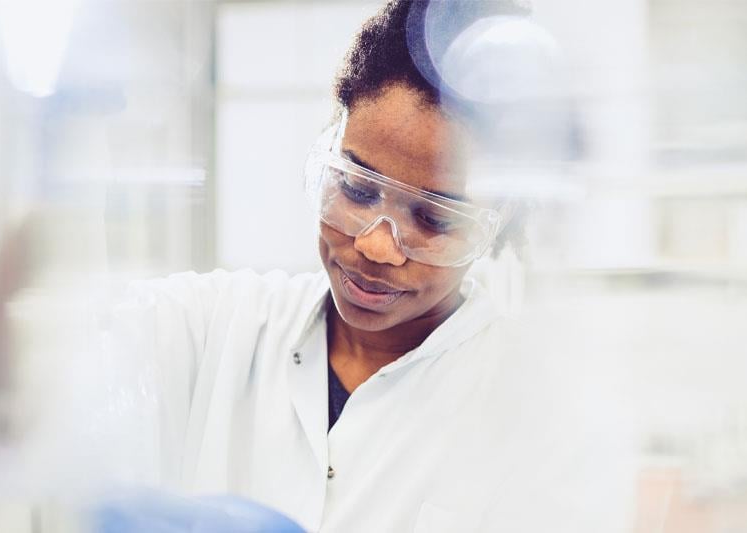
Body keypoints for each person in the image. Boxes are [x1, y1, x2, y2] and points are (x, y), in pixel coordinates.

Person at [94, 1, 634, 531]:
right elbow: (49, 353)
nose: (377, 246)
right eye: (356, 187)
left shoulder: (549, 415)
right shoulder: (207, 327)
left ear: (495, 222)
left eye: (432, 218)